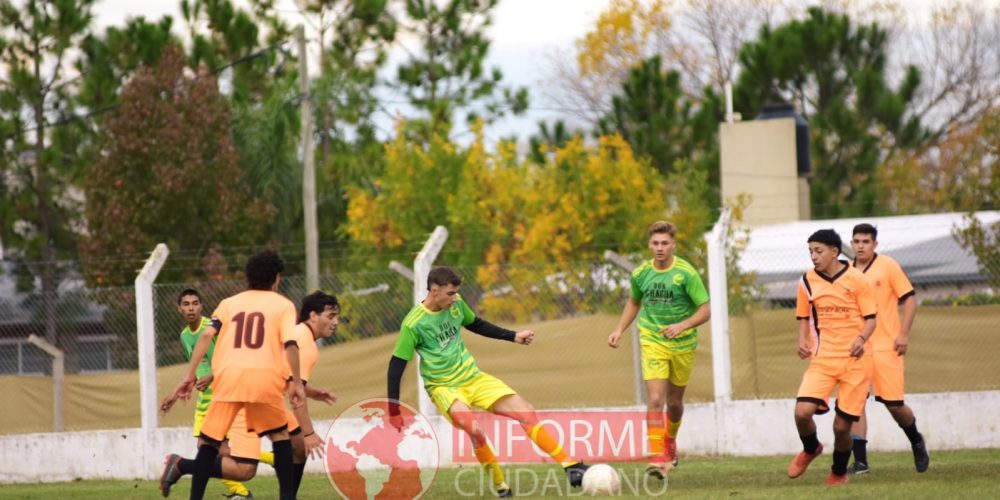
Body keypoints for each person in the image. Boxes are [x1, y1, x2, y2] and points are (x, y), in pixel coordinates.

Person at [387, 267, 589, 498]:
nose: (455, 298)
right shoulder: (413, 324)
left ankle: (571, 465)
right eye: (451, 293)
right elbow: (396, 366)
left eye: (456, 293)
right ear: (434, 290)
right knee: (476, 430)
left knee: (527, 412)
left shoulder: (456, 304)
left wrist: (513, 336)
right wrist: (393, 409)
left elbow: (476, 324)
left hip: (473, 377)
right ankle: (502, 488)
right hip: (444, 387)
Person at [160, 290, 341, 497]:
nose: (335, 322)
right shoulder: (306, 345)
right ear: (313, 316)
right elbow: (295, 397)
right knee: (244, 469)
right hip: (247, 400)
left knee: (297, 447)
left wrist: (312, 393)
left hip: (260, 396)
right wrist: (310, 434)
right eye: (331, 316)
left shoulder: (298, 332)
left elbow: (285, 379)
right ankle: (182, 465)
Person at [161, 250, 305, 500]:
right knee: (280, 436)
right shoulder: (283, 305)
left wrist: (188, 376)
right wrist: (296, 382)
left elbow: (206, 335)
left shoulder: (229, 303)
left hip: (227, 380)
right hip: (263, 379)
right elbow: (290, 345)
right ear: (277, 278)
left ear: (249, 277)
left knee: (208, 443)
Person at [607, 220, 710, 478]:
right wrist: (619, 329)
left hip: (682, 344)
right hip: (652, 340)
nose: (660, 248)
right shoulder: (641, 273)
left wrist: (682, 325)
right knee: (655, 400)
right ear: (649, 244)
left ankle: (670, 441)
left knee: (675, 403)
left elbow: (705, 310)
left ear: (673, 245)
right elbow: (633, 302)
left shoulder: (686, 273)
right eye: (655, 243)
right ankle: (657, 456)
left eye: (665, 243)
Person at [788, 229, 876, 486]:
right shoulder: (806, 281)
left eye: (818, 251)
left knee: (841, 427)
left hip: (856, 361)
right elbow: (803, 316)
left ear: (835, 251)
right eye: (811, 251)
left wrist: (860, 340)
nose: (813, 256)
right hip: (824, 359)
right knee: (802, 412)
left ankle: (838, 472)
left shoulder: (857, 279)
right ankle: (811, 447)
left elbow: (871, 319)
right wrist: (802, 339)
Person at [848, 223, 929, 474]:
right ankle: (860, 462)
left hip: (886, 346)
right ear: (851, 243)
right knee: (855, 403)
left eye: (866, 241)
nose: (861, 246)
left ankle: (916, 439)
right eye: (857, 241)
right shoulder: (846, 272)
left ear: (875, 244)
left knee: (894, 405)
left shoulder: (888, 266)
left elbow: (910, 299)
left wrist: (903, 333)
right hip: (858, 347)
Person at [172, 288, 258, 499]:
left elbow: (228, 357)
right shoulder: (184, 335)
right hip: (205, 401)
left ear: (202, 306)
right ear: (179, 308)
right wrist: (190, 384)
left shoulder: (211, 328)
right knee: (217, 451)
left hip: (223, 397)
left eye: (195, 303)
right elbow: (198, 365)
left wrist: (212, 376)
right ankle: (241, 491)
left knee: (211, 451)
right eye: (186, 304)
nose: (191, 308)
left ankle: (262, 468)